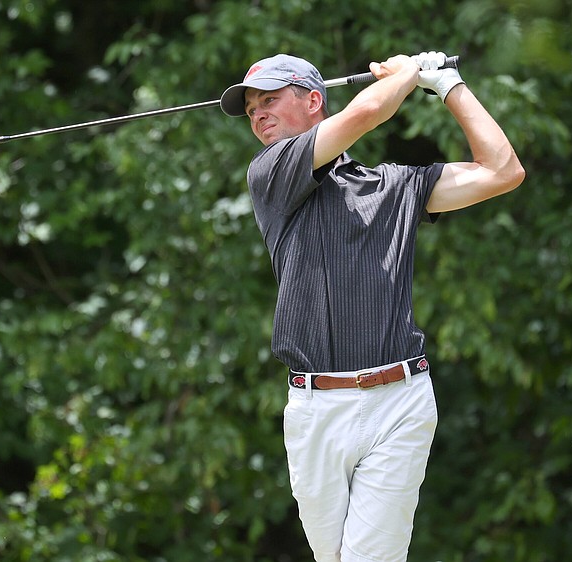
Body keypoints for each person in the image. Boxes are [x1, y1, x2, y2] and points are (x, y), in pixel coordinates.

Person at [220, 52, 525, 562]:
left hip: (398, 403)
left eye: (269, 100)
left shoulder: (395, 187)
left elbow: (502, 169)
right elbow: (366, 114)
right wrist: (409, 74)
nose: (258, 115)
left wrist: (447, 84)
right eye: (251, 109)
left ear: (313, 100)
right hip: (316, 410)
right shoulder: (271, 173)